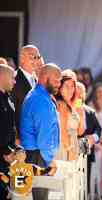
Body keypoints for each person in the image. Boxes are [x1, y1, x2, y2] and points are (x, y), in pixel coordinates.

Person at [20, 63, 61, 200]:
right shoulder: (40, 99)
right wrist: (49, 161)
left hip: (33, 156)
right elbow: (44, 138)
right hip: (37, 157)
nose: (58, 84)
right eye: (56, 79)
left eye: (60, 80)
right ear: (44, 77)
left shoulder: (38, 95)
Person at [75, 81, 102, 199]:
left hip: (88, 152)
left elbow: (98, 129)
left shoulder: (90, 111)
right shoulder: (69, 109)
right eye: (78, 93)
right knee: (75, 180)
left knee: (85, 180)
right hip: (74, 149)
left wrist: (93, 138)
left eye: (82, 93)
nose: (80, 95)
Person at [12, 45, 44, 135]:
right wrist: (16, 139)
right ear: (22, 59)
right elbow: (10, 113)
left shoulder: (37, 81)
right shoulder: (14, 80)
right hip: (21, 139)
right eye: (33, 57)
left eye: (38, 57)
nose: (36, 60)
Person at [55, 70, 83, 161]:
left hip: (72, 145)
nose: (70, 89)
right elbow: (62, 131)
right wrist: (70, 150)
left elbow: (80, 131)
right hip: (64, 148)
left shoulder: (71, 105)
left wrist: (79, 109)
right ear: (60, 88)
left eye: (72, 86)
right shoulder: (61, 105)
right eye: (66, 86)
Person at [0, 64, 17, 199]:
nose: (14, 81)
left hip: (7, 161)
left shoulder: (8, 99)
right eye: (12, 78)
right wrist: (5, 151)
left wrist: (15, 149)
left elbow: (10, 129)